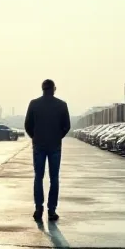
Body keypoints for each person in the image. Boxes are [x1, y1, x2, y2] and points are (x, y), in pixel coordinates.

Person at [24, 79, 71, 222]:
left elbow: (27, 125)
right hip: (55, 146)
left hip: (39, 145)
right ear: (54, 89)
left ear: (42, 89)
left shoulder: (34, 104)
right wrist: (57, 137)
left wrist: (35, 137)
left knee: (38, 177)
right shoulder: (62, 105)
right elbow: (67, 126)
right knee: (54, 178)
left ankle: (39, 208)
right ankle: (51, 210)